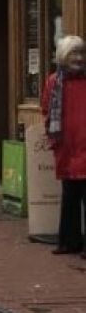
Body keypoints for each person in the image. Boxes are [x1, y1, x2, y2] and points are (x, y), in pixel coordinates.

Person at [41, 35, 86, 258]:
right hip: (67, 146)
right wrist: (53, 138)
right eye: (73, 54)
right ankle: (69, 241)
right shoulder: (53, 82)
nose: (78, 58)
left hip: (84, 144)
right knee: (70, 196)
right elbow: (46, 110)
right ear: (62, 57)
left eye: (81, 53)